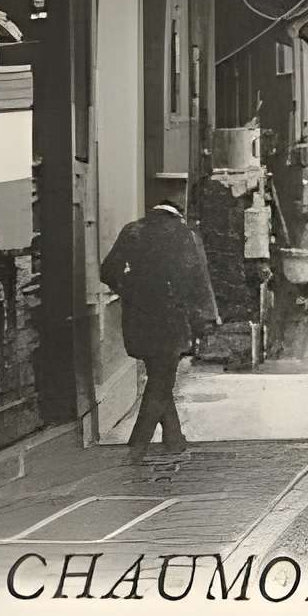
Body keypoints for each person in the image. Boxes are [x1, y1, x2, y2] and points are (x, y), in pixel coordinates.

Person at [99, 175, 219, 464]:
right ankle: (137, 445)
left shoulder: (133, 230)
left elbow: (108, 271)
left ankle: (174, 439)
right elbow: (196, 282)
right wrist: (203, 320)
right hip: (171, 322)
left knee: (159, 376)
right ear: (178, 208)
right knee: (161, 382)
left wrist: (131, 290)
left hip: (139, 321)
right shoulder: (183, 234)